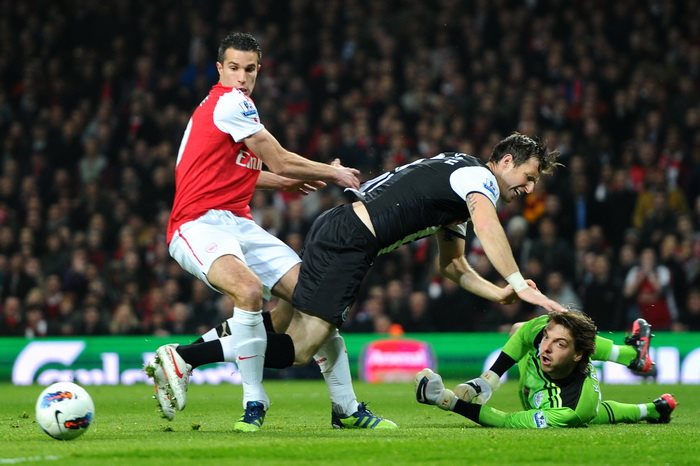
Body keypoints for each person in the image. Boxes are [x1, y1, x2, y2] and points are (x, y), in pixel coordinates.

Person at [154, 132, 570, 427]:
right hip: (351, 240)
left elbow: (453, 266)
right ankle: (186, 357)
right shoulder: (480, 181)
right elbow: (488, 223)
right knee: (301, 347)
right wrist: (518, 280)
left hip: (344, 230)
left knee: (287, 323)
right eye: (529, 176)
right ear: (506, 162)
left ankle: (345, 411)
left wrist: (498, 293)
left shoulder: (458, 182)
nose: (530, 188)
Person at [145, 32, 364, 433]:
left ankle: (346, 408)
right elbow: (279, 159)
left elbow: (237, 171)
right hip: (196, 223)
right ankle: (254, 400)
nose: (241, 77)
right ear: (219, 69)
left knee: (318, 297)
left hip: (237, 221)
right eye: (233, 68)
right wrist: (333, 172)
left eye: (249, 69)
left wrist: (284, 183)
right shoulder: (230, 102)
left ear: (259, 70)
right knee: (247, 291)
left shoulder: (232, 110)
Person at [415, 313, 677, 428]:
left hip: (546, 401)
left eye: (558, 344)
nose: (546, 347)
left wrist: (448, 401)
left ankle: (649, 408)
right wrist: (488, 380)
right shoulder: (543, 334)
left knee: (595, 414)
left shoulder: (571, 409)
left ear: (577, 357)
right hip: (543, 371)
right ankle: (632, 357)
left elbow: (506, 421)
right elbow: (526, 335)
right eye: (546, 339)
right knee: (522, 328)